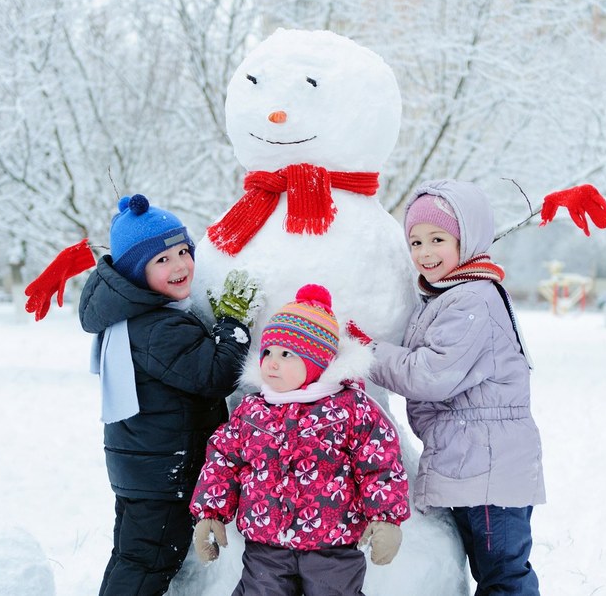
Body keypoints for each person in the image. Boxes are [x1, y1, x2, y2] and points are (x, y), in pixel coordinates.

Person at [351, 179, 546, 595]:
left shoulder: (473, 299)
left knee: (503, 575)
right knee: (492, 571)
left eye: (437, 239)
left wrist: (366, 351)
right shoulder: (450, 296)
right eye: (416, 242)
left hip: (490, 471)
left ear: (467, 238)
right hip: (472, 464)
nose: (424, 253)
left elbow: (430, 375)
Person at [78, 194, 257, 596]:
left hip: (145, 469)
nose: (179, 266)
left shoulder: (141, 316)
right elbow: (215, 374)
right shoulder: (157, 328)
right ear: (136, 272)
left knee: (133, 558)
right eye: (162, 260)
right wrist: (233, 323)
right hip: (163, 474)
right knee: (146, 564)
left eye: (183, 252)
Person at [189, 284, 410, 596]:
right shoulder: (252, 410)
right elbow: (223, 461)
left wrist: (386, 519)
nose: (272, 362)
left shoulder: (349, 408)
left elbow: (380, 464)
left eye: (286, 354)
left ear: (317, 362)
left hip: (332, 545)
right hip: (265, 546)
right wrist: (210, 513)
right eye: (267, 352)